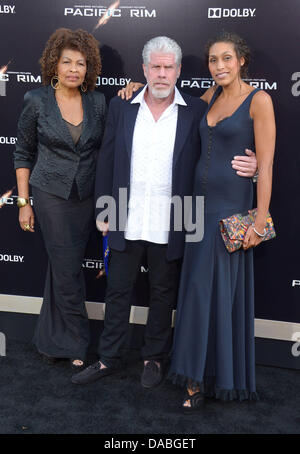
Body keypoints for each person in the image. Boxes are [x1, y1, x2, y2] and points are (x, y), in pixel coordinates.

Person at [71, 36, 257, 388]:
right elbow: (107, 159)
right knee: (118, 290)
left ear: (178, 71)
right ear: (144, 69)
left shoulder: (196, 110)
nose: (161, 73)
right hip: (126, 212)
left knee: (163, 292)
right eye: (154, 66)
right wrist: (103, 208)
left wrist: (257, 163)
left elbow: (223, 147)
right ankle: (109, 358)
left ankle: (154, 358)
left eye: (167, 67)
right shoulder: (122, 105)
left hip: (177, 215)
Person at [168, 31, 276, 411]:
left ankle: (204, 379)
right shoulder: (208, 97)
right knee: (197, 294)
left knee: (217, 296)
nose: (219, 66)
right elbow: (171, 105)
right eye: (213, 60)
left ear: (241, 59)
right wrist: (137, 87)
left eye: (226, 58)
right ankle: (197, 372)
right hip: (197, 211)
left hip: (230, 212)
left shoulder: (259, 100)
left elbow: (266, 165)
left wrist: (259, 221)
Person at [14, 28, 107, 369]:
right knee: (68, 270)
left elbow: (107, 148)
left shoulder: (97, 102)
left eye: (80, 63)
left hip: (85, 195)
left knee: (61, 268)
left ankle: (49, 340)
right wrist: (24, 204)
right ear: (54, 64)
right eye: (66, 61)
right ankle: (77, 342)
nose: (73, 69)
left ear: (88, 68)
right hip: (50, 194)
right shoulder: (36, 100)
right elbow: (22, 152)